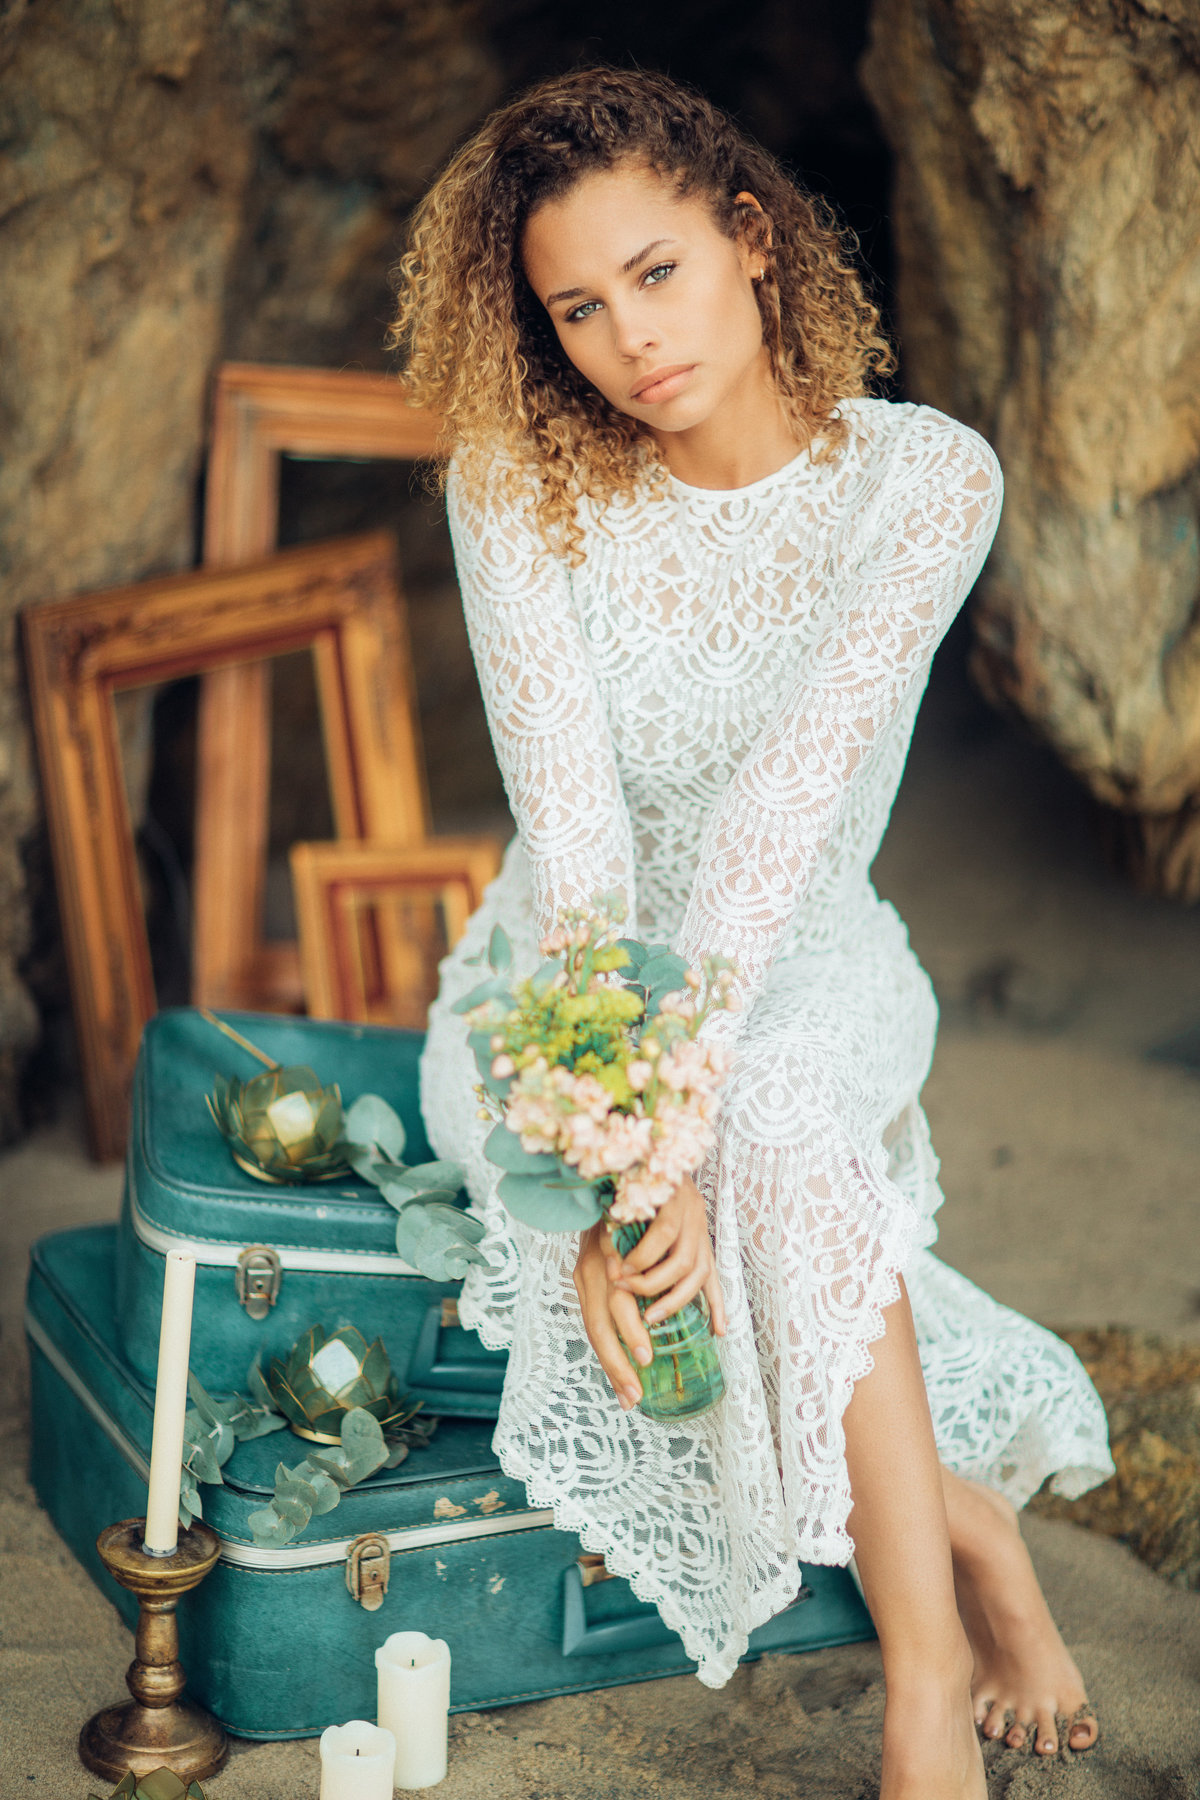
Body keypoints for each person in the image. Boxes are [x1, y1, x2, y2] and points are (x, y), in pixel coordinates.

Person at [391, 66, 1114, 1800]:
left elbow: (778, 826)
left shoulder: (923, 483)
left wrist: (680, 1141)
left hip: (811, 955)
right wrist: (610, 1157)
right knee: (679, 1242)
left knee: (783, 1117)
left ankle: (923, 1677)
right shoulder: (522, 488)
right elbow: (575, 844)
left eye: (656, 272)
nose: (627, 338)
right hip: (563, 997)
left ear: (751, 237)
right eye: (574, 307)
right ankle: (971, 1555)